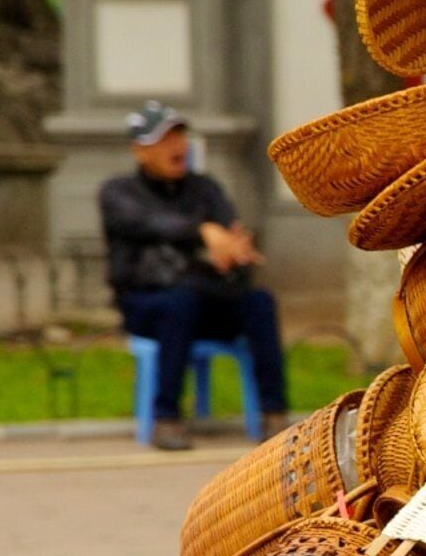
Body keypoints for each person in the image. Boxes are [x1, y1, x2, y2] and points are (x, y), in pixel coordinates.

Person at [97, 102, 287, 449]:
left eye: (180, 136)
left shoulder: (205, 189)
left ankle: (274, 416)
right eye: (165, 139)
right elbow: (147, 224)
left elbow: (230, 234)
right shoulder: (118, 194)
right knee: (179, 304)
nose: (177, 146)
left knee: (259, 302)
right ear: (140, 150)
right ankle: (165, 417)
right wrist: (202, 233)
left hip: (207, 295)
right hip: (148, 303)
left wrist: (234, 252)